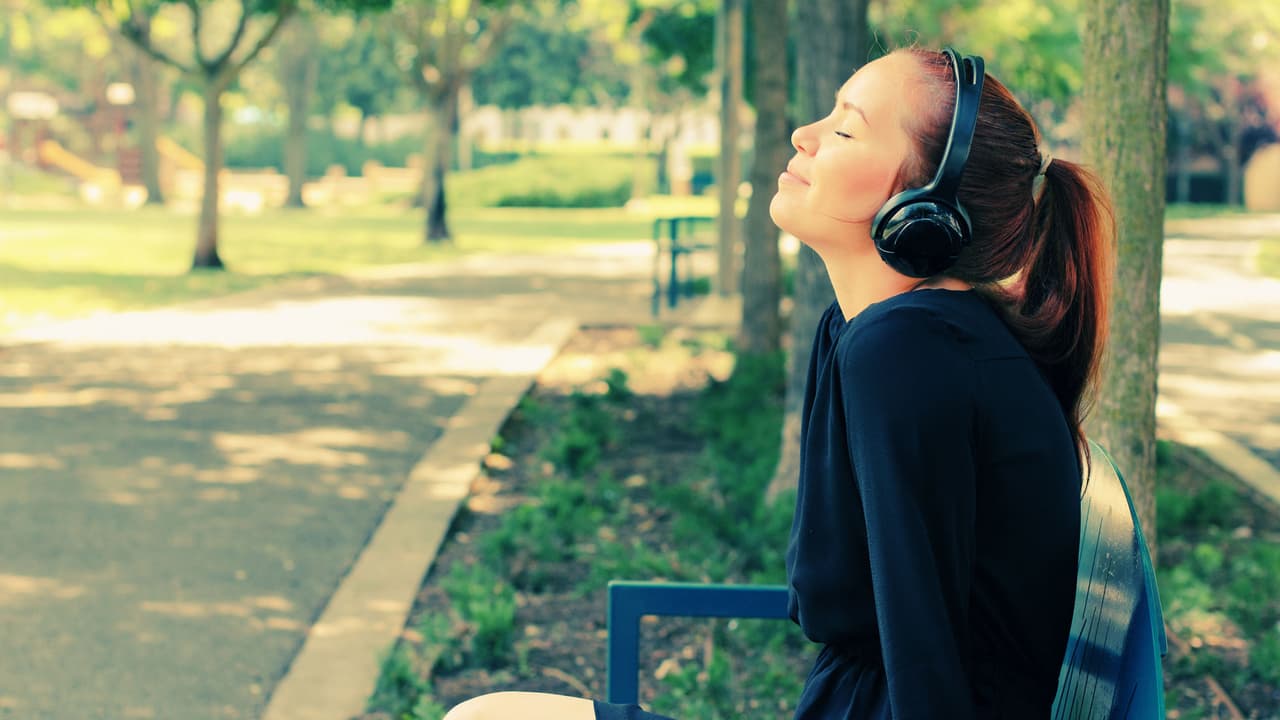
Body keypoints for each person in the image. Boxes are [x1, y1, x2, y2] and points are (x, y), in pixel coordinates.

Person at [444, 44, 1113, 720]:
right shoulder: (866, 333)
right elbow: (842, 603)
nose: (805, 135)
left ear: (924, 206)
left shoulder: (909, 351)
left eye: (846, 128)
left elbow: (927, 653)